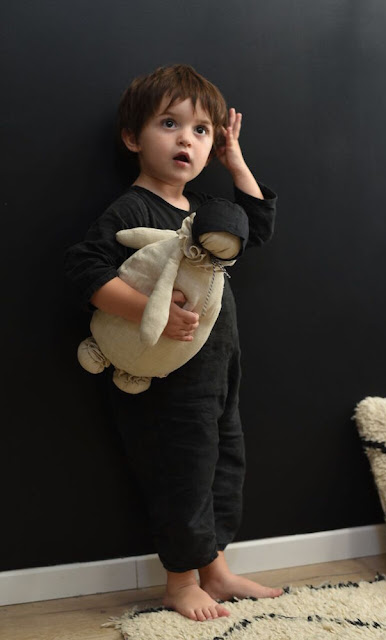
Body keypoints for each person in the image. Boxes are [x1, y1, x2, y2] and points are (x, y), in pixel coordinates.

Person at [64, 63, 282, 622]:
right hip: (166, 380)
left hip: (219, 372)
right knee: (182, 474)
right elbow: (85, 270)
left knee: (223, 468)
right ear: (133, 138)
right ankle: (180, 582)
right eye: (170, 124)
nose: (186, 139)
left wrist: (235, 161)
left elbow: (256, 227)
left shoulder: (207, 212)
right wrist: (152, 314)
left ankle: (216, 570)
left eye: (201, 130)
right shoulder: (132, 209)